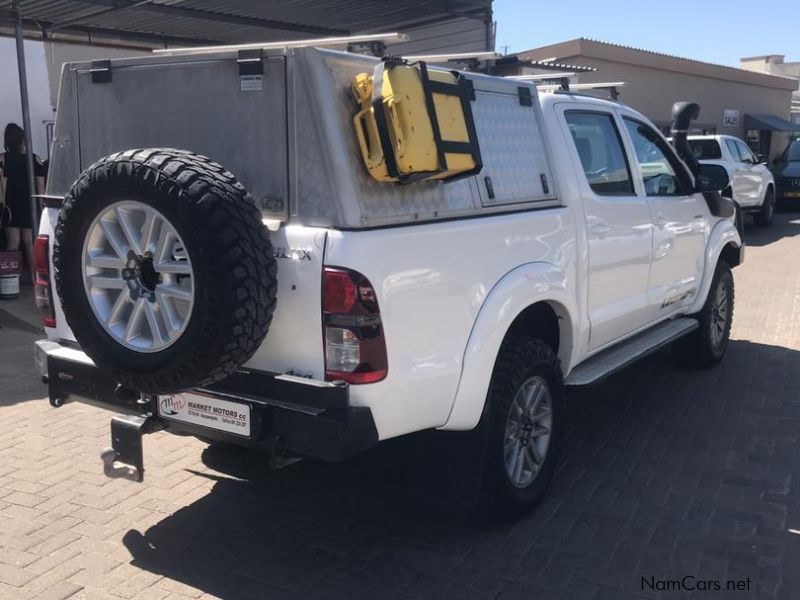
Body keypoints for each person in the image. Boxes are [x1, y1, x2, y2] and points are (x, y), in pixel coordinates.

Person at [0, 123, 46, 279]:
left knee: (13, 243)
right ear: (22, 139)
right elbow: (40, 184)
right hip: (29, 204)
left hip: (11, 204)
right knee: (29, 242)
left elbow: (2, 184)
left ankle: (11, 278)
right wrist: (40, 207)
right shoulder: (34, 159)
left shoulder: (3, 159)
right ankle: (35, 278)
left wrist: (3, 204)